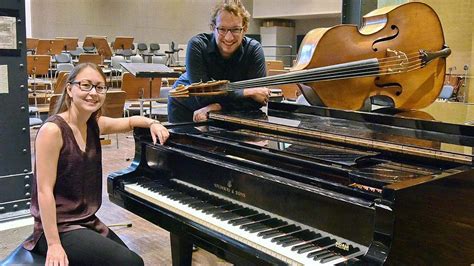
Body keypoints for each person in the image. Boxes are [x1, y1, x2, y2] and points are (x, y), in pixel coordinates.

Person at [23, 63, 169, 266]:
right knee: (130, 263)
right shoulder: (52, 131)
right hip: (59, 227)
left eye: (100, 87)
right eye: (86, 85)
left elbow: (129, 122)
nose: (93, 93)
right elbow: (44, 191)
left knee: (132, 260)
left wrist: (153, 123)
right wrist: (54, 244)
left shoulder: (94, 124)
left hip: (85, 221)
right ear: (70, 90)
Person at [168, 0, 271, 123]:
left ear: (245, 29)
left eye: (235, 29)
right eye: (222, 29)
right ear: (213, 28)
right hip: (186, 107)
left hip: (229, 111)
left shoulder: (254, 49)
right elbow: (201, 96)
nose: (229, 37)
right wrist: (245, 92)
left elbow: (258, 100)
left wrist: (218, 106)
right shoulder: (197, 45)